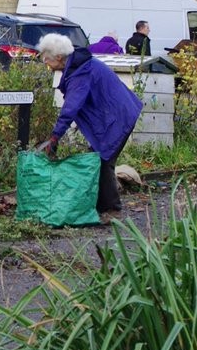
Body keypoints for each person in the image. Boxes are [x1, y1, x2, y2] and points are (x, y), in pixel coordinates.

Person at [36, 33, 142, 219]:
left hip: (118, 117)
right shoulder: (78, 64)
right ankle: (99, 206)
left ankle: (112, 210)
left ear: (59, 57)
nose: (48, 66)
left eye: (47, 61)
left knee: (102, 160)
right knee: (96, 157)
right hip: (117, 113)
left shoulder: (80, 72)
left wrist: (55, 137)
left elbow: (70, 108)